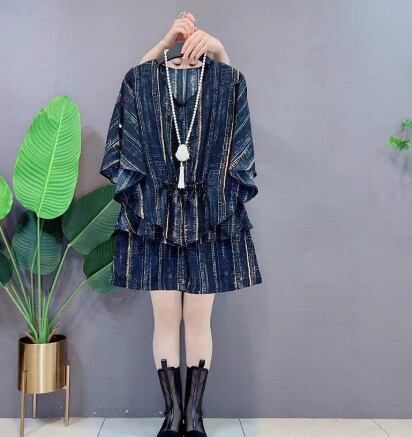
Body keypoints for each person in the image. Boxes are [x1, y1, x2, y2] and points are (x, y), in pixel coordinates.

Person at [100, 10, 262, 437]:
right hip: (155, 215)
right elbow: (132, 87)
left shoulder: (224, 81)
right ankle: (173, 416)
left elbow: (232, 102)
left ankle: (195, 416)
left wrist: (219, 50)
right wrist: (164, 43)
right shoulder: (145, 82)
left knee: (199, 319)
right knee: (166, 316)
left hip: (210, 214)